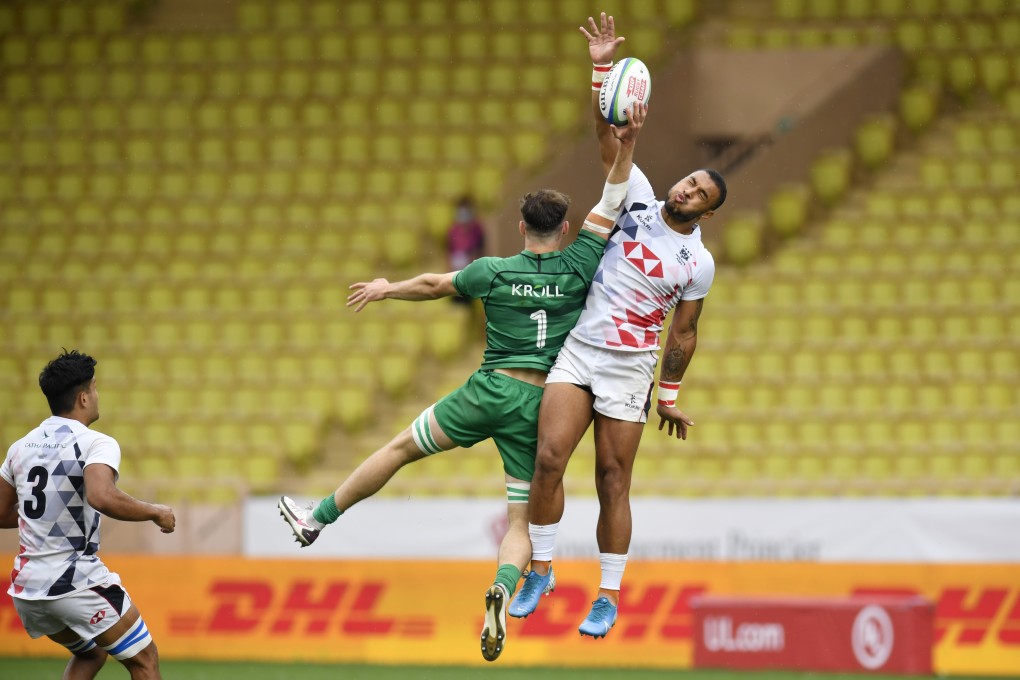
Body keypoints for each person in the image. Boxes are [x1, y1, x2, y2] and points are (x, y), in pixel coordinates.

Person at [278, 102, 647, 662]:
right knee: (520, 516)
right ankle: (503, 587)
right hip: (541, 403)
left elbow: (432, 284)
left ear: (522, 227)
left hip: (487, 390)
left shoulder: (492, 271)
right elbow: (615, 191)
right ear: (565, 228)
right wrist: (629, 142)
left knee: (401, 447)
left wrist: (386, 287)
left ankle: (318, 517)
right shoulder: (581, 262)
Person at [507, 13, 728, 639]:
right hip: (581, 350)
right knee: (548, 458)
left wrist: (671, 394)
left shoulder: (697, 263)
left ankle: (606, 593)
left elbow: (683, 334)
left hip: (630, 368)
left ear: (707, 211)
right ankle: (542, 569)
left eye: (698, 194)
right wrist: (602, 71)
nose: (684, 191)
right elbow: (609, 147)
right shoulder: (637, 195)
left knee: (613, 480)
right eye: (687, 182)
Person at [0, 349, 176, 679]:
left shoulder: (21, 446)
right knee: (145, 659)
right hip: (73, 580)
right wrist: (156, 512)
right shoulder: (96, 443)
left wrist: (47, 517)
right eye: (95, 388)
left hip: (26, 588)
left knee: (92, 653)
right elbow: (102, 496)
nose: (97, 396)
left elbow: (0, 513)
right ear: (83, 397)